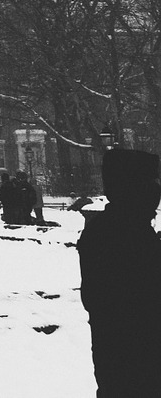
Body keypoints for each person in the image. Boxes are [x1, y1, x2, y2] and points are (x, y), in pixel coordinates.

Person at [78, 148, 161, 396]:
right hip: (134, 367)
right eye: (152, 181)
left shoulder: (122, 230)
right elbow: (133, 303)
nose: (157, 189)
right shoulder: (122, 235)